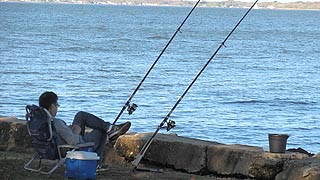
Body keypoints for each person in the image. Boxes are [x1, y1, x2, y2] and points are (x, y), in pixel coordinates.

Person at [38, 91, 130, 168]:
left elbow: (61, 134)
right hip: (69, 147)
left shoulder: (41, 121)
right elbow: (74, 141)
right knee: (101, 132)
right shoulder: (56, 122)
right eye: (57, 105)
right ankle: (96, 163)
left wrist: (70, 129)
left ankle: (110, 129)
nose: (57, 107)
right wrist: (75, 132)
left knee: (81, 115)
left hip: (60, 142)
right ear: (51, 107)